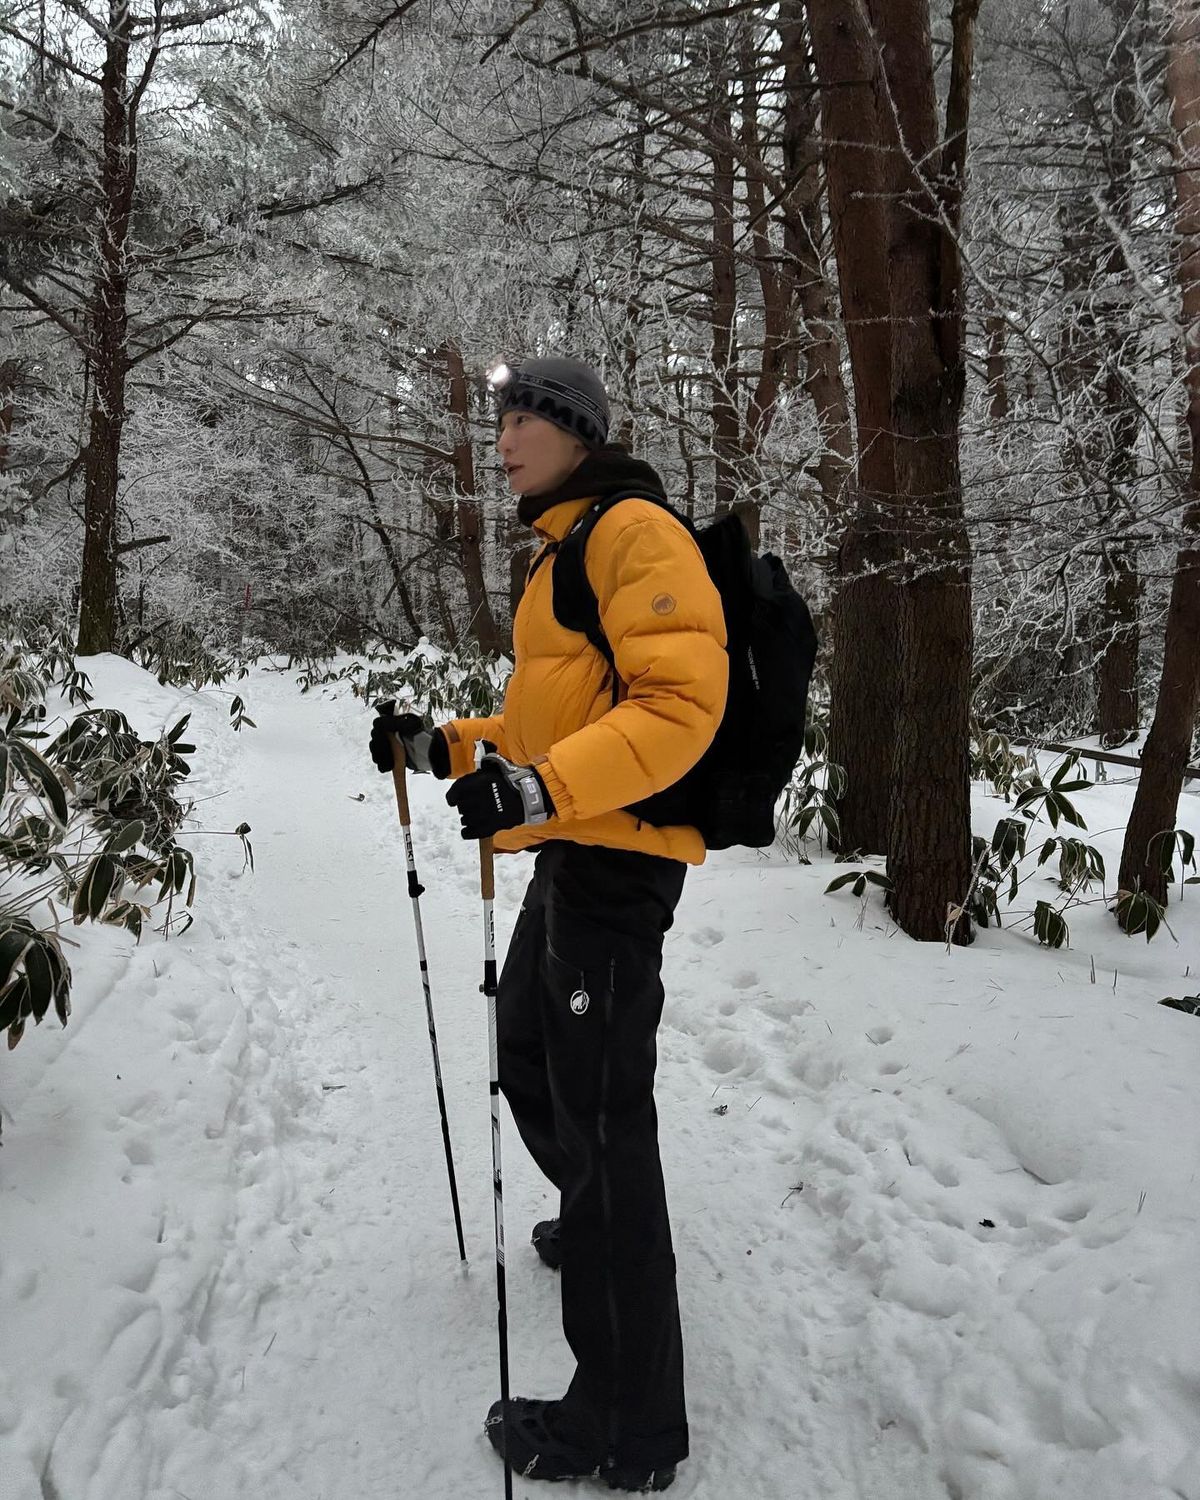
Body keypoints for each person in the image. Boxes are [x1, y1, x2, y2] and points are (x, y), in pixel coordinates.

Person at [369, 356, 727, 1493]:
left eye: (528, 416)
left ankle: (624, 1424)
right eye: (502, 415)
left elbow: (681, 710)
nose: (506, 433)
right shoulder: (565, 550)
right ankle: (595, 1220)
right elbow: (553, 722)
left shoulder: (634, 535)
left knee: (608, 1123)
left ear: (580, 433)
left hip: (618, 869)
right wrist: (448, 748)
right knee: (529, 1050)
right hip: (578, 850)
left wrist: (534, 793)